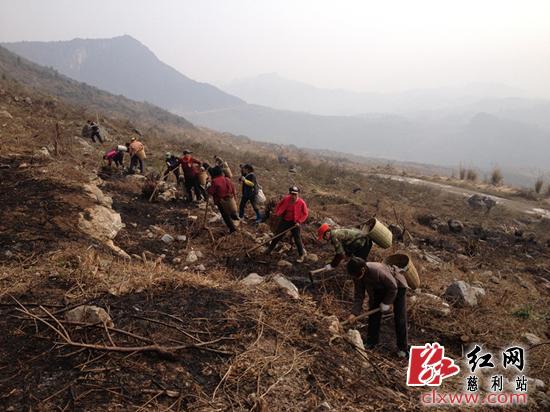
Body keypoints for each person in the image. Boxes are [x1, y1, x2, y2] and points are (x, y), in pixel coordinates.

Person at [346, 257, 409, 358]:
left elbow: (393, 288)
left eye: (357, 275)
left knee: (399, 317)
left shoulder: (377, 270)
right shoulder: (356, 275)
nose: (356, 278)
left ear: (363, 269)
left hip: (397, 286)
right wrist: (354, 313)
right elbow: (359, 295)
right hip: (379, 289)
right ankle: (371, 342)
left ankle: (403, 348)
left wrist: (386, 303)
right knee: (373, 314)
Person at [265, 186, 308, 262]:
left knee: (297, 239)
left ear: (297, 194)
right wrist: (276, 213)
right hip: (285, 220)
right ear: (290, 193)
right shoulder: (286, 199)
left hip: (295, 223)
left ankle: (301, 255)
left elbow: (305, 214)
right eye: (292, 194)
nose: (293, 196)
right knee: (278, 235)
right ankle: (269, 250)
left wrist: (299, 221)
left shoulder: (301, 202)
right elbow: (279, 205)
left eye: (295, 194)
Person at [207, 166, 239, 233]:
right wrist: (235, 197)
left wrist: (208, 186)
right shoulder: (227, 179)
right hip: (230, 199)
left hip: (221, 201)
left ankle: (232, 229)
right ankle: (235, 219)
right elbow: (233, 188)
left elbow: (211, 192)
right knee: (231, 210)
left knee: (225, 215)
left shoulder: (215, 181)